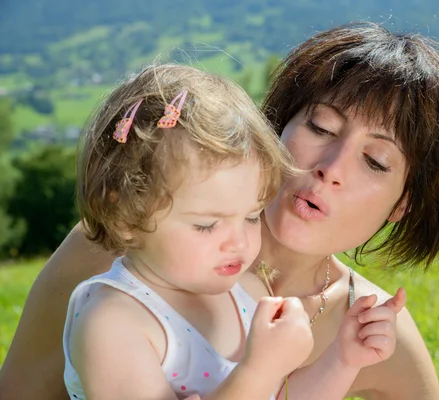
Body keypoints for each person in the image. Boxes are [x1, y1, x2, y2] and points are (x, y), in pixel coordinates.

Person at [0, 22, 439, 400]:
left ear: (403, 204)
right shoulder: (116, 245)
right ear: (276, 128)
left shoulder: (371, 324)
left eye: (375, 161)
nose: (330, 169)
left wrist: (344, 361)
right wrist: (259, 369)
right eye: (321, 126)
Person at [60, 63, 404, 400]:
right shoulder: (112, 324)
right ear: (126, 217)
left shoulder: (246, 291)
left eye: (253, 217)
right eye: (207, 225)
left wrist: (342, 360)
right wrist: (258, 370)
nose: (240, 242)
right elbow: (259, 382)